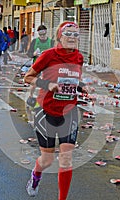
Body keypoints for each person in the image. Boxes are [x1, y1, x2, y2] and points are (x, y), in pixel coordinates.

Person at [24, 21, 87, 200]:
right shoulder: (48, 55)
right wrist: (47, 84)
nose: (72, 38)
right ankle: (36, 176)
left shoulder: (79, 57)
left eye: (76, 34)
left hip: (69, 111)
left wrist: (81, 87)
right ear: (60, 36)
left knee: (66, 159)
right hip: (46, 111)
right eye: (68, 33)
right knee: (47, 160)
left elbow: (72, 80)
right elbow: (28, 78)